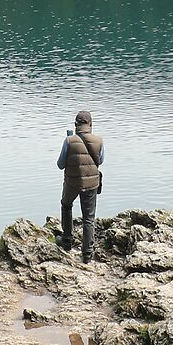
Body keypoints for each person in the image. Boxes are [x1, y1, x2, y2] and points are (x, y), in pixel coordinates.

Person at [57, 110, 105, 261]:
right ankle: (87, 254)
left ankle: (66, 241)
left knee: (66, 205)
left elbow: (60, 164)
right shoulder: (99, 141)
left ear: (76, 124)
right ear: (90, 125)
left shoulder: (69, 141)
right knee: (89, 218)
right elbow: (101, 161)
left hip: (72, 182)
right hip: (91, 184)